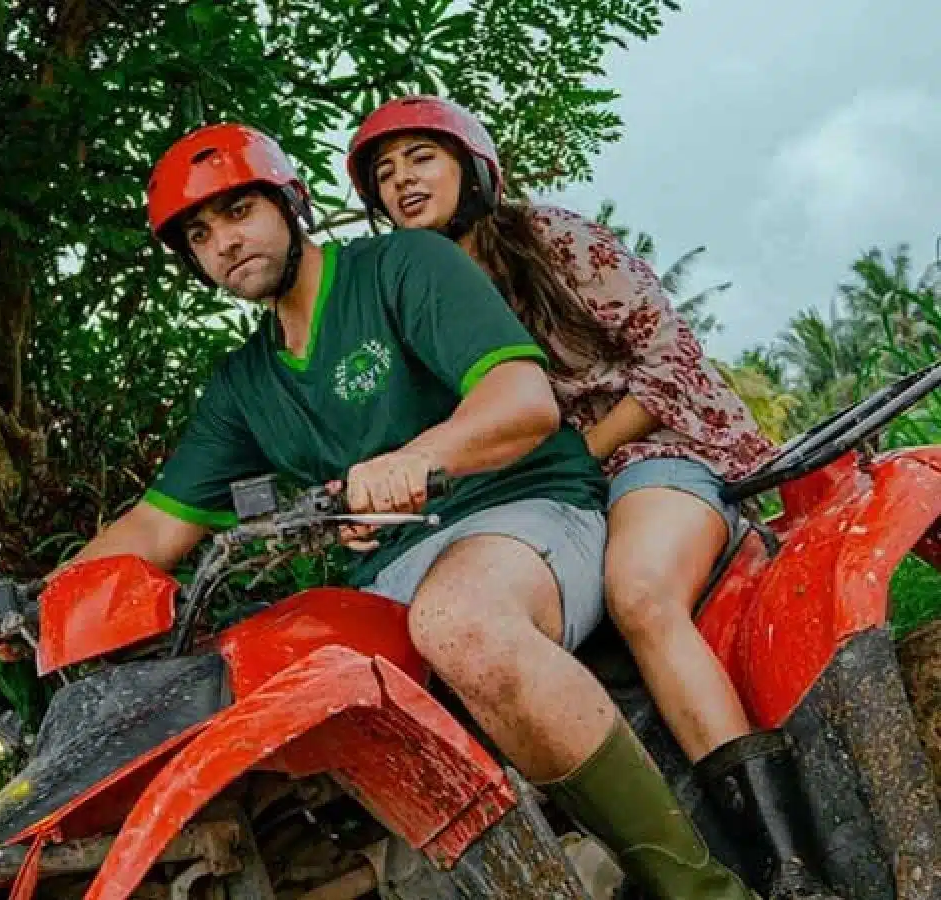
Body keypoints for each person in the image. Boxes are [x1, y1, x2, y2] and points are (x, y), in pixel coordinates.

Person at [60, 122, 752, 898]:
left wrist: (420, 458)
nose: (225, 240)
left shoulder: (405, 265)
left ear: (293, 206)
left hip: (523, 514)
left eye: (240, 211)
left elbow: (522, 401)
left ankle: (704, 890)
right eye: (200, 232)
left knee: (460, 621)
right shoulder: (242, 384)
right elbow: (155, 526)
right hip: (389, 575)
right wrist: (48, 605)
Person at [347, 94, 839, 900]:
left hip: (646, 454)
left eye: (419, 160)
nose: (402, 182)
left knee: (640, 593)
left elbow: (667, 359)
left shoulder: (551, 238)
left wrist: (580, 452)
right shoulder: (404, 304)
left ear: (472, 167)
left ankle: (786, 866)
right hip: (537, 506)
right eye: (384, 175)